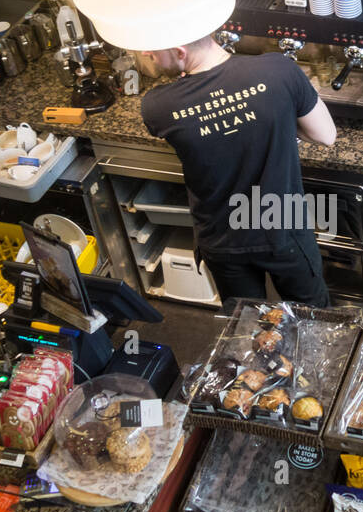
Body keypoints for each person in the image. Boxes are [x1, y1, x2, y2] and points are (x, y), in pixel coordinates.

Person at [138, 35, 337, 308]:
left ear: (179, 51)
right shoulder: (279, 70)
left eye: (152, 50)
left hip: (221, 238)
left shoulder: (158, 106)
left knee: (244, 330)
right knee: (313, 322)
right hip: (282, 229)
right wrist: (277, 125)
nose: (147, 52)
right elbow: (326, 135)